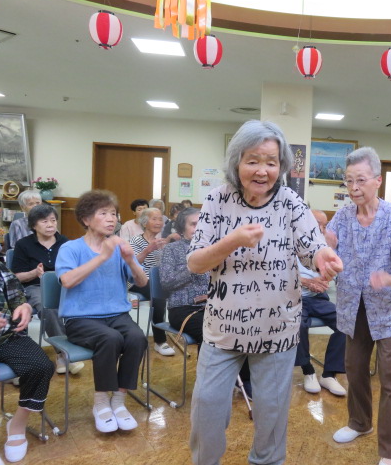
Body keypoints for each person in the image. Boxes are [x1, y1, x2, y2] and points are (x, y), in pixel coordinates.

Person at [187, 120, 342, 465]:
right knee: (207, 408)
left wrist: (323, 256)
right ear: (237, 161)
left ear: (282, 166)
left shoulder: (290, 202)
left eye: (271, 162)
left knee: (271, 416)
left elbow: (311, 244)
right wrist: (234, 240)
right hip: (223, 330)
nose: (262, 170)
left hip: (277, 330)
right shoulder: (217, 199)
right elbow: (195, 263)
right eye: (253, 160)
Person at [326, 146, 391, 465]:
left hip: (390, 311)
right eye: (348, 181)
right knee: (354, 370)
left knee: (390, 378)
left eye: (361, 181)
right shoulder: (342, 216)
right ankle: (359, 423)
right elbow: (327, 249)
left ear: (377, 181)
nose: (354, 188)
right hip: (353, 306)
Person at [55, 190, 148, 433]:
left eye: (114, 214)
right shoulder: (70, 248)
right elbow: (67, 281)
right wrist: (103, 256)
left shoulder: (120, 248)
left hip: (117, 315)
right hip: (80, 318)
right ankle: (100, 403)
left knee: (137, 337)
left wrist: (129, 260)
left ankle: (118, 401)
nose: (111, 219)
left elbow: (142, 282)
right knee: (110, 338)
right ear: (86, 219)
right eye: (104, 213)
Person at [0, 259, 54, 464]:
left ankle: (17, 424)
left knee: (41, 366)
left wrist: (24, 307)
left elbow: (17, 296)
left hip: (6, 335)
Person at [11, 203, 85, 375]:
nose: (51, 224)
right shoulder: (24, 244)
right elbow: (16, 276)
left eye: (53, 220)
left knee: (82, 303)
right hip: (35, 286)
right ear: (34, 225)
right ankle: (64, 354)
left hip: (63, 285)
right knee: (49, 307)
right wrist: (34, 273)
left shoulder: (65, 242)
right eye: (45, 221)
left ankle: (76, 347)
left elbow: (76, 268)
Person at [295, 209, 346, 397]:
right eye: (318, 223)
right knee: (298, 324)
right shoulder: (291, 240)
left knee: (346, 322)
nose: (322, 228)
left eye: (325, 225)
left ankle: (329, 374)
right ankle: (308, 371)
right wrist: (308, 282)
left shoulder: (325, 245)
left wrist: (324, 280)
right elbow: (279, 274)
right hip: (296, 297)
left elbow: (332, 273)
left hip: (317, 298)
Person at [128, 208, 174, 357]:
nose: (158, 222)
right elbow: (132, 264)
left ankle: (178, 329)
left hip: (158, 280)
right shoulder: (135, 240)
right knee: (158, 295)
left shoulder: (163, 241)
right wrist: (148, 250)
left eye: (160, 219)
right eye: (154, 219)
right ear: (145, 222)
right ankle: (160, 341)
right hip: (138, 280)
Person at [159, 207, 208, 346]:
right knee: (209, 334)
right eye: (193, 224)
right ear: (181, 228)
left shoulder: (212, 248)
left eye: (202, 223)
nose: (199, 228)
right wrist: (191, 269)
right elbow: (166, 283)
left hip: (212, 307)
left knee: (238, 331)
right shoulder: (172, 249)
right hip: (183, 309)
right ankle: (207, 368)